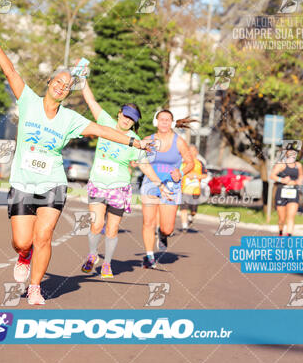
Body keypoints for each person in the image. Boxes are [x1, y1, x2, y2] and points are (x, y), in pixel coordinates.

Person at [0, 15, 152, 305]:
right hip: (23, 182)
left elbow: (102, 130)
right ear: (49, 82)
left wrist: (136, 141)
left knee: (44, 235)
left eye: (67, 85)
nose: (62, 87)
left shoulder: (71, 118)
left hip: (53, 184)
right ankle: (24, 256)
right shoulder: (28, 101)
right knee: (22, 241)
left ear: (68, 91)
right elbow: (10, 71)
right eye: (58, 82)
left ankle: (36, 287)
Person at [79, 81, 165, 279]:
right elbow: (90, 100)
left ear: (135, 122)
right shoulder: (105, 122)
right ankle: (92, 255)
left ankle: (107, 263)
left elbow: (144, 165)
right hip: (98, 183)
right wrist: (81, 78)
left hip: (119, 188)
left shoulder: (137, 141)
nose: (127, 120)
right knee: (96, 223)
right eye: (125, 116)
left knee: (112, 228)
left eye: (131, 119)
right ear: (119, 113)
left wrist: (160, 184)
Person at [139, 110, 195, 269]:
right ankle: (149, 257)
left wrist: (181, 172)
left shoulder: (179, 141)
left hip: (171, 186)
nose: (164, 122)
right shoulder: (148, 140)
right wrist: (135, 161)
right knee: (148, 222)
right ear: (156, 122)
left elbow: (190, 162)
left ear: (171, 122)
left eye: (167, 119)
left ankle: (163, 235)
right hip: (150, 185)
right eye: (161, 119)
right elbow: (137, 158)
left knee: (167, 227)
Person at [269, 141, 303, 236]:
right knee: (282, 218)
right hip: (281, 192)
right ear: (286, 153)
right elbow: (272, 175)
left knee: (291, 216)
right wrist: (282, 179)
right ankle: (280, 233)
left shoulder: (298, 165)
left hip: (293, 192)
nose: (292, 154)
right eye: (290, 151)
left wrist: (298, 181)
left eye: (294, 152)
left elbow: (301, 176)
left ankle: (288, 237)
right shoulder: (281, 164)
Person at [179, 144, 207, 230]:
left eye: (193, 150)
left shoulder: (200, 163)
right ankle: (184, 226)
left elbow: (205, 175)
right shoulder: (183, 163)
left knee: (194, 211)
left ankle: (191, 217)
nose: (191, 152)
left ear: (196, 152)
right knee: (183, 209)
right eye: (189, 150)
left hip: (195, 191)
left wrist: (195, 176)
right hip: (184, 190)